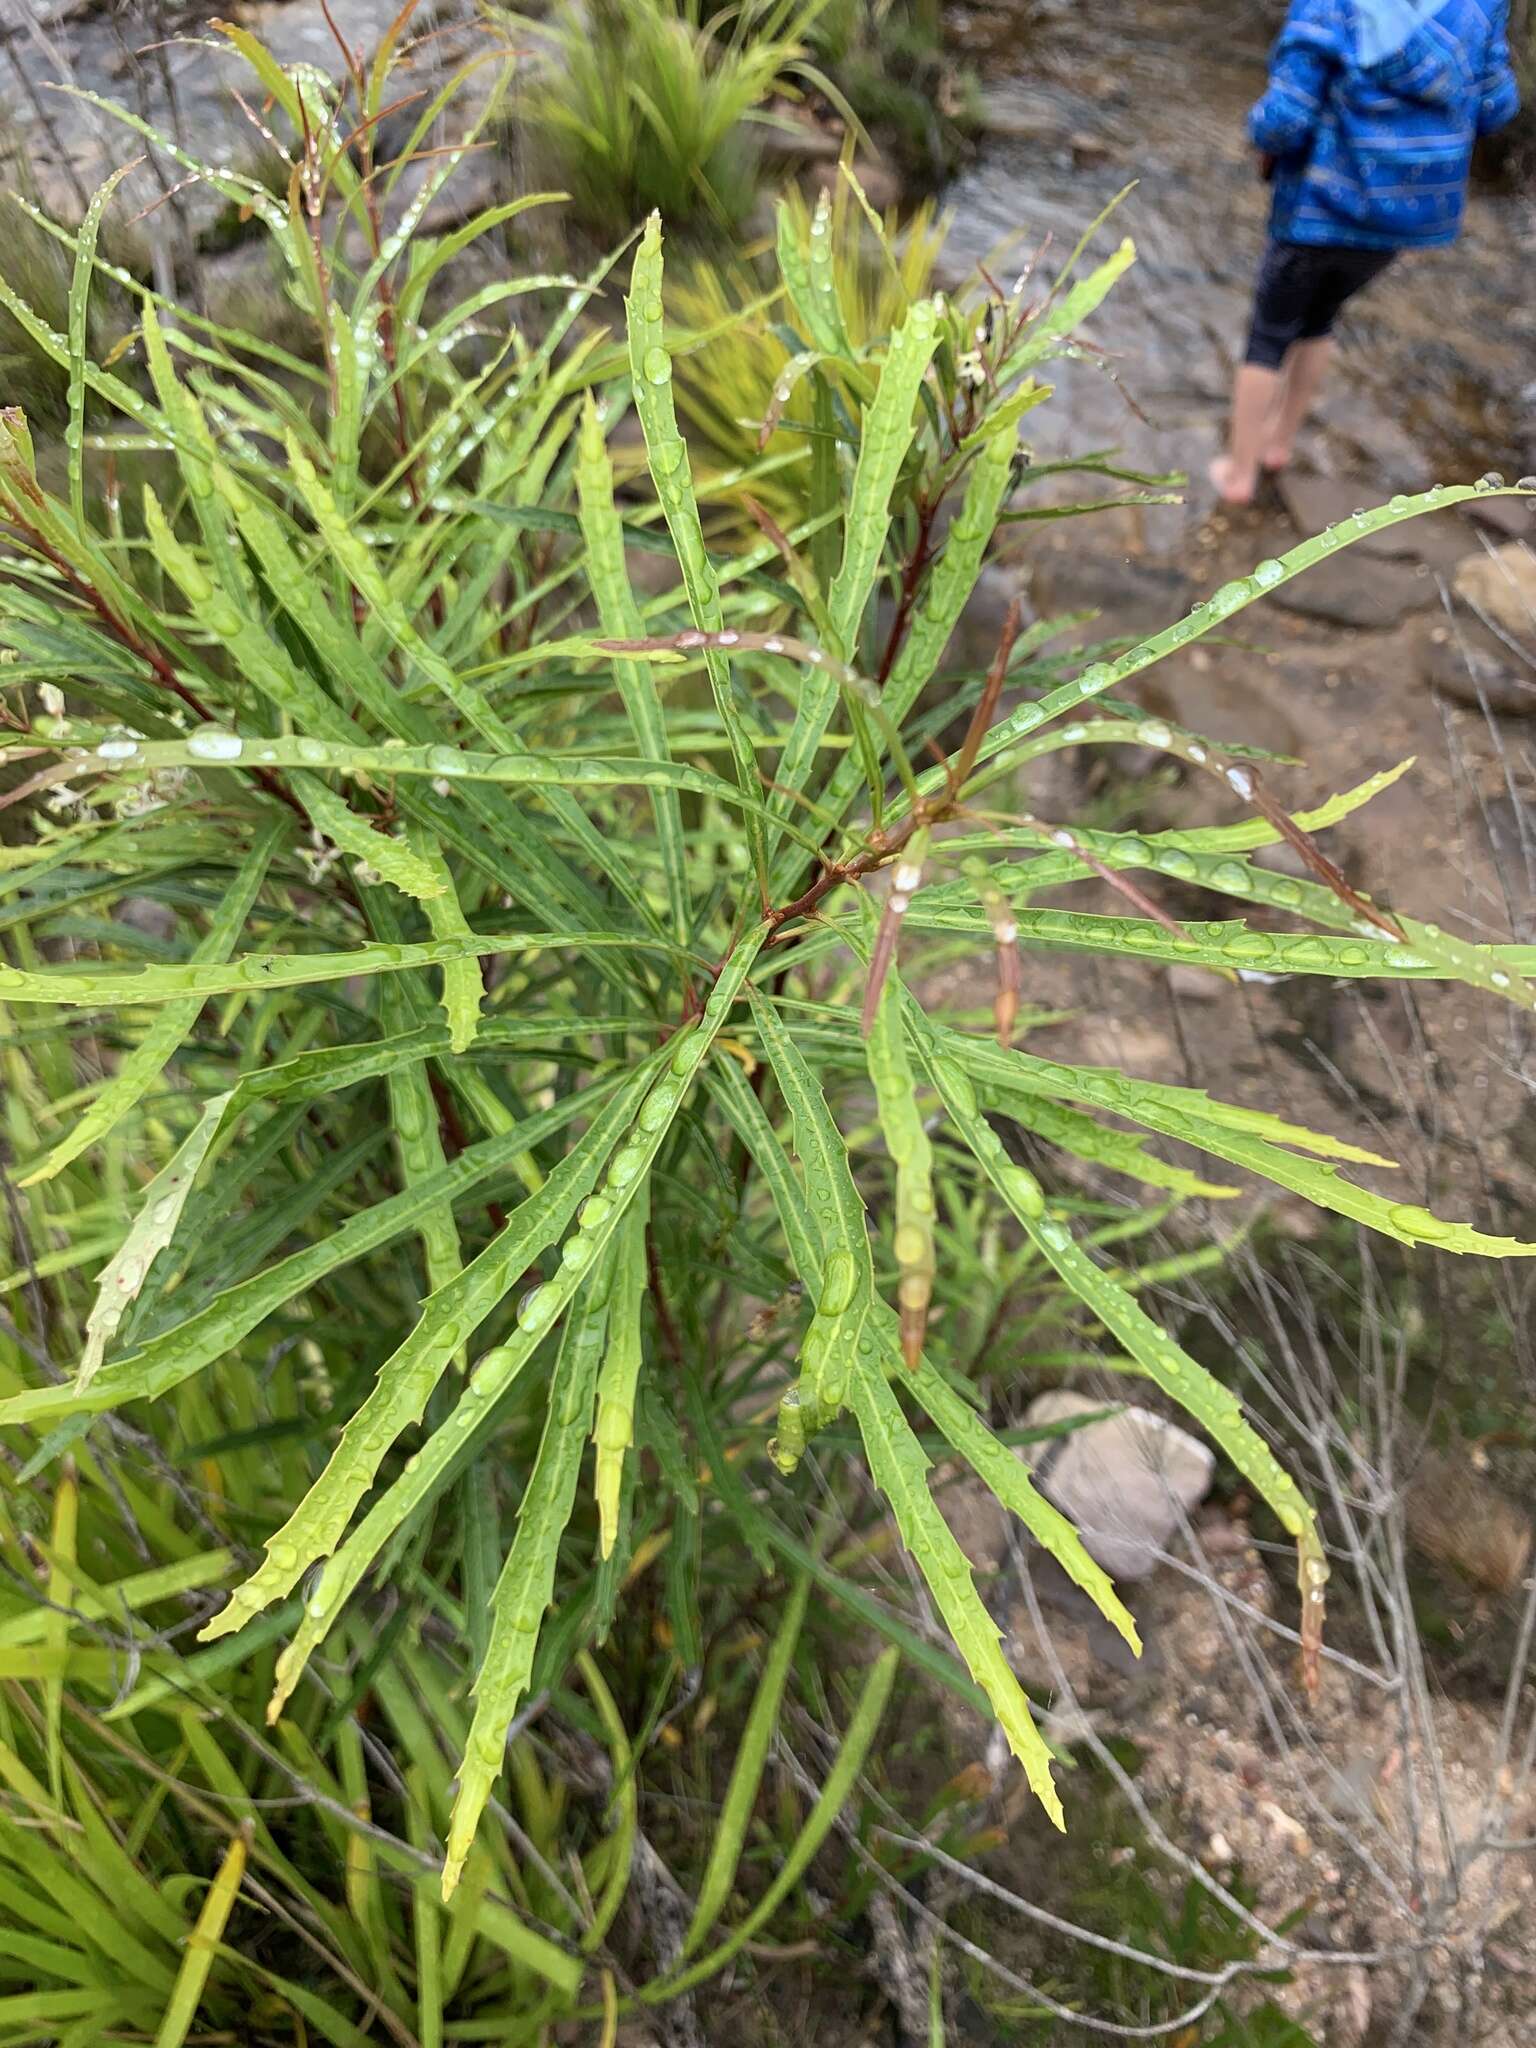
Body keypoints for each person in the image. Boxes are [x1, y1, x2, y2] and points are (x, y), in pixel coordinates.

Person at [1210, 0, 1520, 505]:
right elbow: (1496, 105)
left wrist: (1257, 131)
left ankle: (1238, 473)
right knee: (1322, 319)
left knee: (1269, 336)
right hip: (1400, 221)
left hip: (1315, 212)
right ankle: (1279, 444)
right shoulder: (1481, 7)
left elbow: (1284, 118)